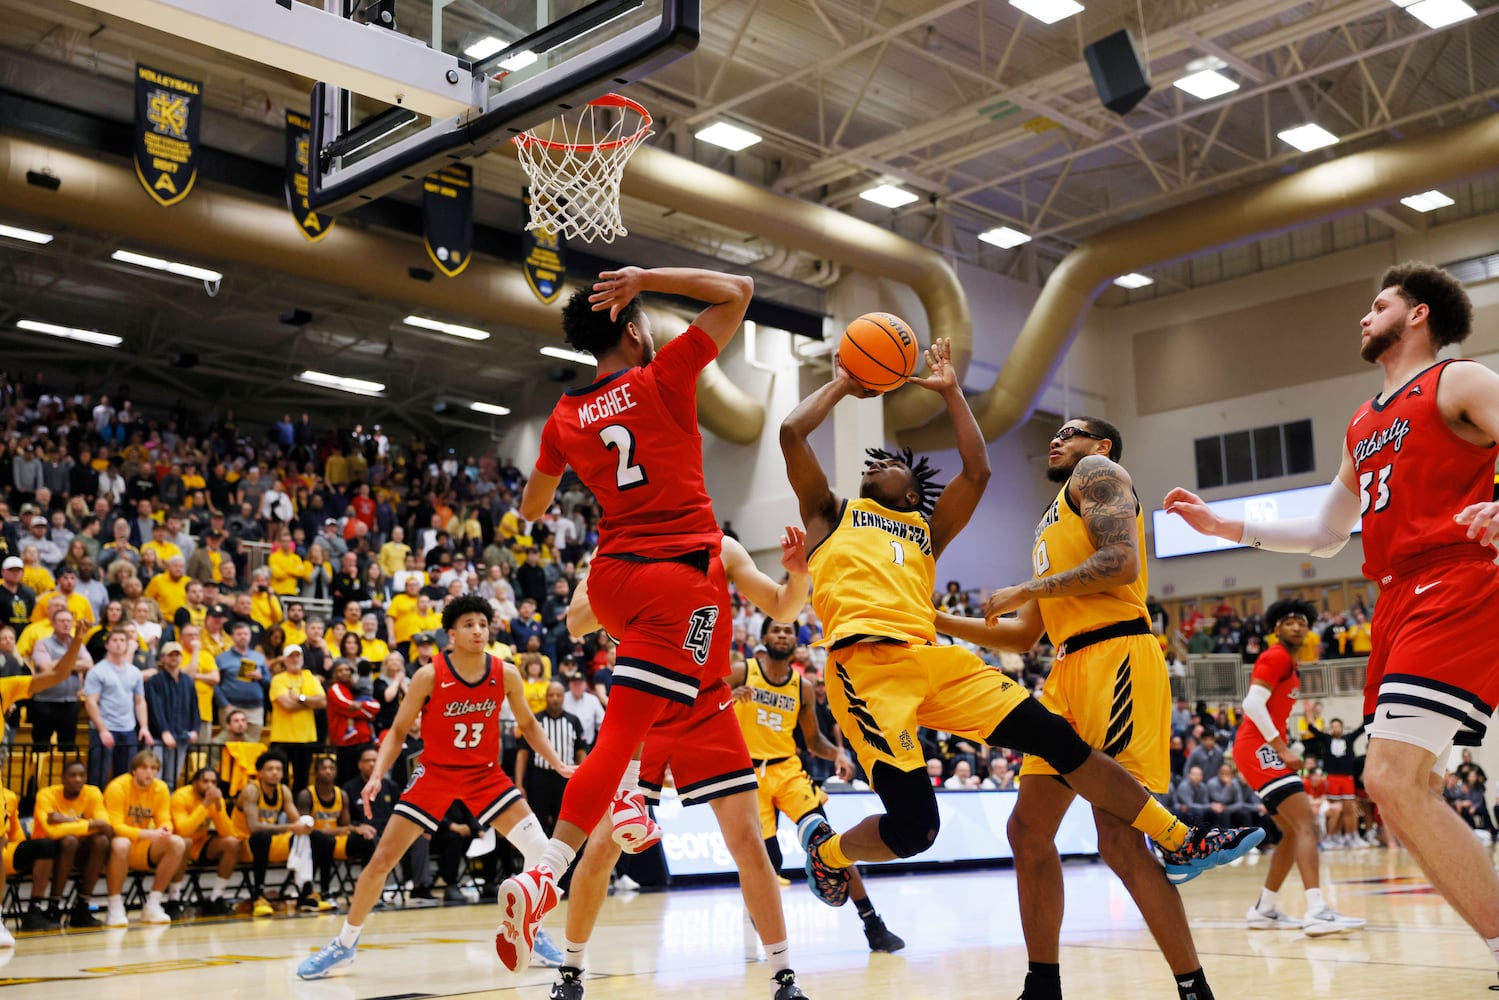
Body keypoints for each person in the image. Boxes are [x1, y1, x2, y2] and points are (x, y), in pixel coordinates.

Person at [782, 349, 1261, 1000]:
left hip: (1103, 655)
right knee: (1008, 830)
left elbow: (994, 484)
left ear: (1101, 444)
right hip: (910, 664)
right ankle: (1041, 982)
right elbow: (1024, 633)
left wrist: (951, 391)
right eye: (1056, 434)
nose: (1058, 438)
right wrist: (951, 616)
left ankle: (1184, 909)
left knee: (1114, 835)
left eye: (1071, 431)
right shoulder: (843, 516)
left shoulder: (1080, 479)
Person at [1163, 261, 1499, 978]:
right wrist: (1223, 524)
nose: (1361, 315)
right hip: (1398, 596)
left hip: (1459, 577)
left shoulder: (1459, 380)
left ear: (1416, 316)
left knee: (1391, 779)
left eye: (1377, 304)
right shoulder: (1361, 420)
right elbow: (1322, 533)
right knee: (1406, 789)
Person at [494, 265, 820, 999]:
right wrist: (644, 275)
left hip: (637, 606)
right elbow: (735, 290)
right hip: (669, 585)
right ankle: (557, 890)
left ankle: (780, 970)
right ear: (636, 331)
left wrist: (562, 474)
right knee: (622, 756)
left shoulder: (563, 418)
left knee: (736, 831)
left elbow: (532, 509)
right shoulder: (659, 376)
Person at [548, 528, 820, 1000]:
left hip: (707, 703)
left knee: (747, 840)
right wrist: (632, 575)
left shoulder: (724, 547)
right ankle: (571, 971)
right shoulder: (615, 548)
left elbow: (783, 606)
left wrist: (798, 577)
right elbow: (575, 622)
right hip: (644, 700)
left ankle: (783, 975)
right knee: (604, 846)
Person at [297, 594, 576, 980]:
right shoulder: (430, 675)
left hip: (485, 775)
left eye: (483, 623)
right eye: (469, 625)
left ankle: (531, 929)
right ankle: (345, 944)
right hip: (437, 773)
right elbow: (396, 731)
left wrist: (558, 760)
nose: (478, 630)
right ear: (451, 633)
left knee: (543, 852)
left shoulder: (506, 673)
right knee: (381, 861)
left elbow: (528, 725)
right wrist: (378, 773)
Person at [732, 617, 904, 952]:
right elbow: (703, 705)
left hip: (787, 772)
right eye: (776, 630)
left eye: (789, 631)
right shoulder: (742, 671)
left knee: (828, 842)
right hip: (747, 777)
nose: (782, 634)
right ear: (764, 636)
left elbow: (813, 741)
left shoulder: (802, 687)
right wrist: (728, 698)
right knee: (766, 864)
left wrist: (838, 753)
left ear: (796, 640)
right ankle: (771, 941)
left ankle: (872, 923)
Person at [1236, 598, 1364, 936]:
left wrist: (1285, 743)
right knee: (1307, 824)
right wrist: (1280, 747)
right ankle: (1318, 910)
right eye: (1289, 622)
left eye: (1302, 623)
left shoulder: (1291, 666)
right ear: (1275, 629)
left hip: (1259, 749)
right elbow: (1251, 703)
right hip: (1258, 748)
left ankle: (1264, 909)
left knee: (1294, 831)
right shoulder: (1275, 656)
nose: (1297, 627)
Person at [102, 750, 187, 926]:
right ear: (134, 770)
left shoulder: (161, 788)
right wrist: (145, 834)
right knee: (122, 844)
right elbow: (115, 826)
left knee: (177, 843)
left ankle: (153, 904)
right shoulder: (117, 787)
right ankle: (115, 907)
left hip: (142, 846)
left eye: (154, 768)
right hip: (116, 845)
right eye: (144, 767)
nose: (149, 772)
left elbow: (165, 818)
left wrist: (165, 829)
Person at [232, 749, 316, 916]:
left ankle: (306, 892)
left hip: (270, 842)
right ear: (260, 773)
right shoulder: (251, 790)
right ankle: (258, 895)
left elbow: (296, 821)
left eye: (279, 769)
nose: (275, 773)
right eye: (270, 769)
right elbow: (254, 827)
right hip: (243, 843)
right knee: (261, 837)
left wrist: (306, 825)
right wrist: (291, 828)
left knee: (314, 838)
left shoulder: (283, 791)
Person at [295, 755, 377, 907]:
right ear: (316, 772)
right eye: (323, 768)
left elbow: (344, 827)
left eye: (331, 768)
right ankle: (323, 891)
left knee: (366, 840)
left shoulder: (341, 794)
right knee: (324, 840)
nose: (328, 772)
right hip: (311, 843)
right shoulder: (306, 795)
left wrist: (355, 830)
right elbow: (306, 828)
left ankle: (367, 890)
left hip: (334, 840)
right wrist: (348, 828)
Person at [84, 627, 154, 787]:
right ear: (107, 645)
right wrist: (102, 729)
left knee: (126, 777)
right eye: (115, 640)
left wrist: (144, 727)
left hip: (128, 729)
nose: (119, 644)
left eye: (122, 640)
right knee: (98, 776)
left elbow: (139, 701)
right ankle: (97, 810)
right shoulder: (97, 671)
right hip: (104, 728)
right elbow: (91, 702)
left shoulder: (135, 672)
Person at [169, 766, 242, 916]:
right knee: (185, 842)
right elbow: (184, 831)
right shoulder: (181, 796)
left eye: (214, 782)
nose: (210, 786)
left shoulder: (215, 798)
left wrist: (219, 807)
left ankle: (216, 897)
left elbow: (227, 833)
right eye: (205, 781)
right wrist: (205, 805)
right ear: (194, 782)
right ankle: (173, 900)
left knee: (232, 843)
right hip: (175, 847)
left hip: (199, 845)